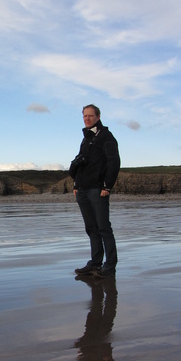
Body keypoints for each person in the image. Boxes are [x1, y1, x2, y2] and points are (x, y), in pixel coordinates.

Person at [69, 104, 120, 277]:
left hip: (98, 189)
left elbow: (114, 162)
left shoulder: (106, 136)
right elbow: (81, 164)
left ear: (98, 117)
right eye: (85, 116)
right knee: (91, 228)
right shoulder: (86, 139)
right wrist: (76, 184)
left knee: (104, 228)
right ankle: (95, 263)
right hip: (82, 190)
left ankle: (110, 266)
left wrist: (107, 186)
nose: (87, 119)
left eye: (90, 116)